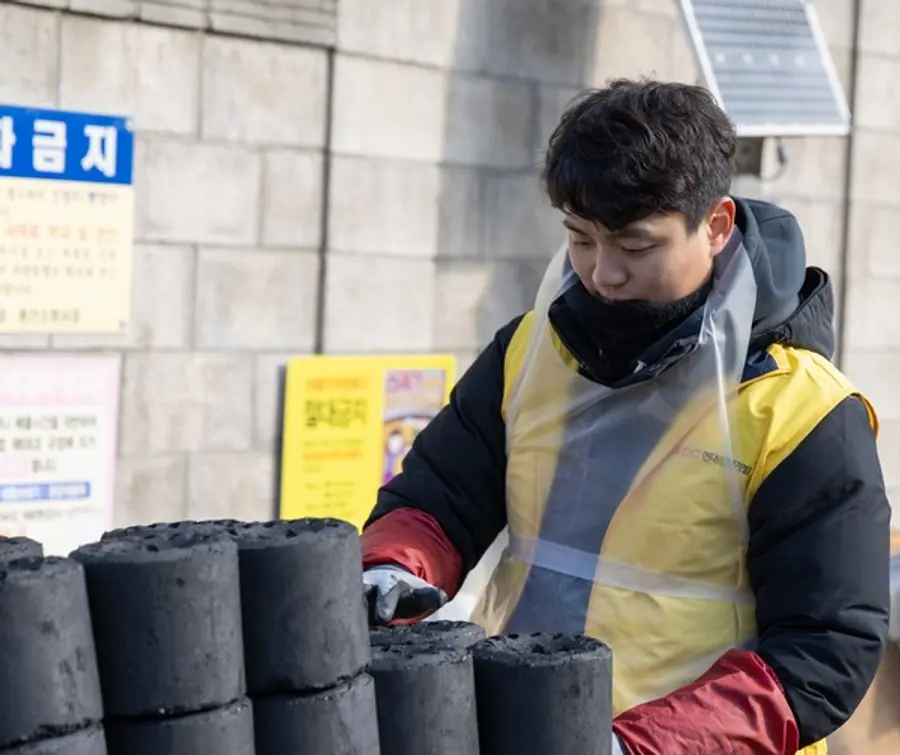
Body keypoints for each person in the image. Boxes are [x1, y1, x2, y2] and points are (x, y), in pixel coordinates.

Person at [360, 79, 891, 755]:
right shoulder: (529, 352)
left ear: (717, 225)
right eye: (580, 238)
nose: (601, 273)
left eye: (636, 247)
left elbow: (823, 653)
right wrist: (392, 569)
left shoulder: (803, 412)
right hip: (523, 731)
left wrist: (631, 745)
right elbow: (437, 498)